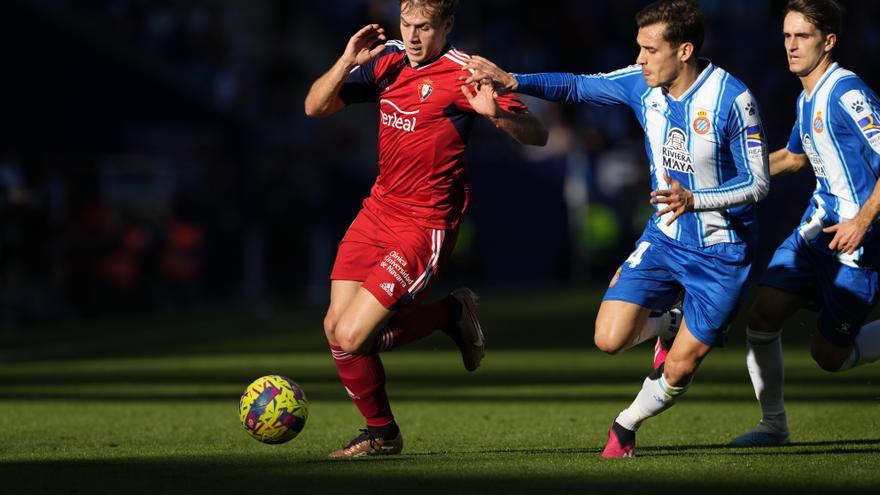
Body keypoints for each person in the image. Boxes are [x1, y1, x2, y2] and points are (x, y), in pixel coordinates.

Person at [463, 0, 769, 457]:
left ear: (684, 50)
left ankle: (625, 426)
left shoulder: (732, 99)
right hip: (666, 238)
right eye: (638, 48)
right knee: (608, 339)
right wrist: (514, 80)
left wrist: (696, 199)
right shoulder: (640, 84)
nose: (640, 59)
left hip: (722, 252)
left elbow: (758, 182)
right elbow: (578, 86)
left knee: (681, 368)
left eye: (650, 49)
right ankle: (670, 320)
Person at [304, 0, 547, 458]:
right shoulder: (388, 60)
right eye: (407, 24)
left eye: (425, 27)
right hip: (377, 212)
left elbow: (538, 134)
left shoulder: (465, 73)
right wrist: (345, 62)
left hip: (424, 223)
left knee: (356, 338)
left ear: (448, 25)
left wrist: (495, 112)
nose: (413, 37)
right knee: (336, 329)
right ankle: (385, 433)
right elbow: (314, 107)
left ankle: (443, 325)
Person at [730, 0, 880, 447]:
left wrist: (864, 218)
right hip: (815, 232)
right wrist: (721, 184)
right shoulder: (806, 96)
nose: (790, 46)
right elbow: (794, 157)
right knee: (762, 314)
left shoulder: (847, 93)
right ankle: (773, 425)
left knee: (828, 357)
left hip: (858, 242)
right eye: (786, 36)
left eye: (802, 37)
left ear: (828, 41)